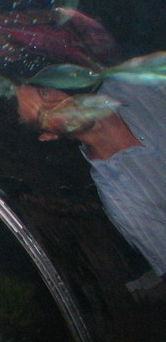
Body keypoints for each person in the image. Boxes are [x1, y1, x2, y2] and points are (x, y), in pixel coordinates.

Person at [15, 78, 166, 283]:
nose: (58, 105)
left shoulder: (128, 84)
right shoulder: (120, 198)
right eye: (44, 113)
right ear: (48, 135)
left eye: (45, 94)